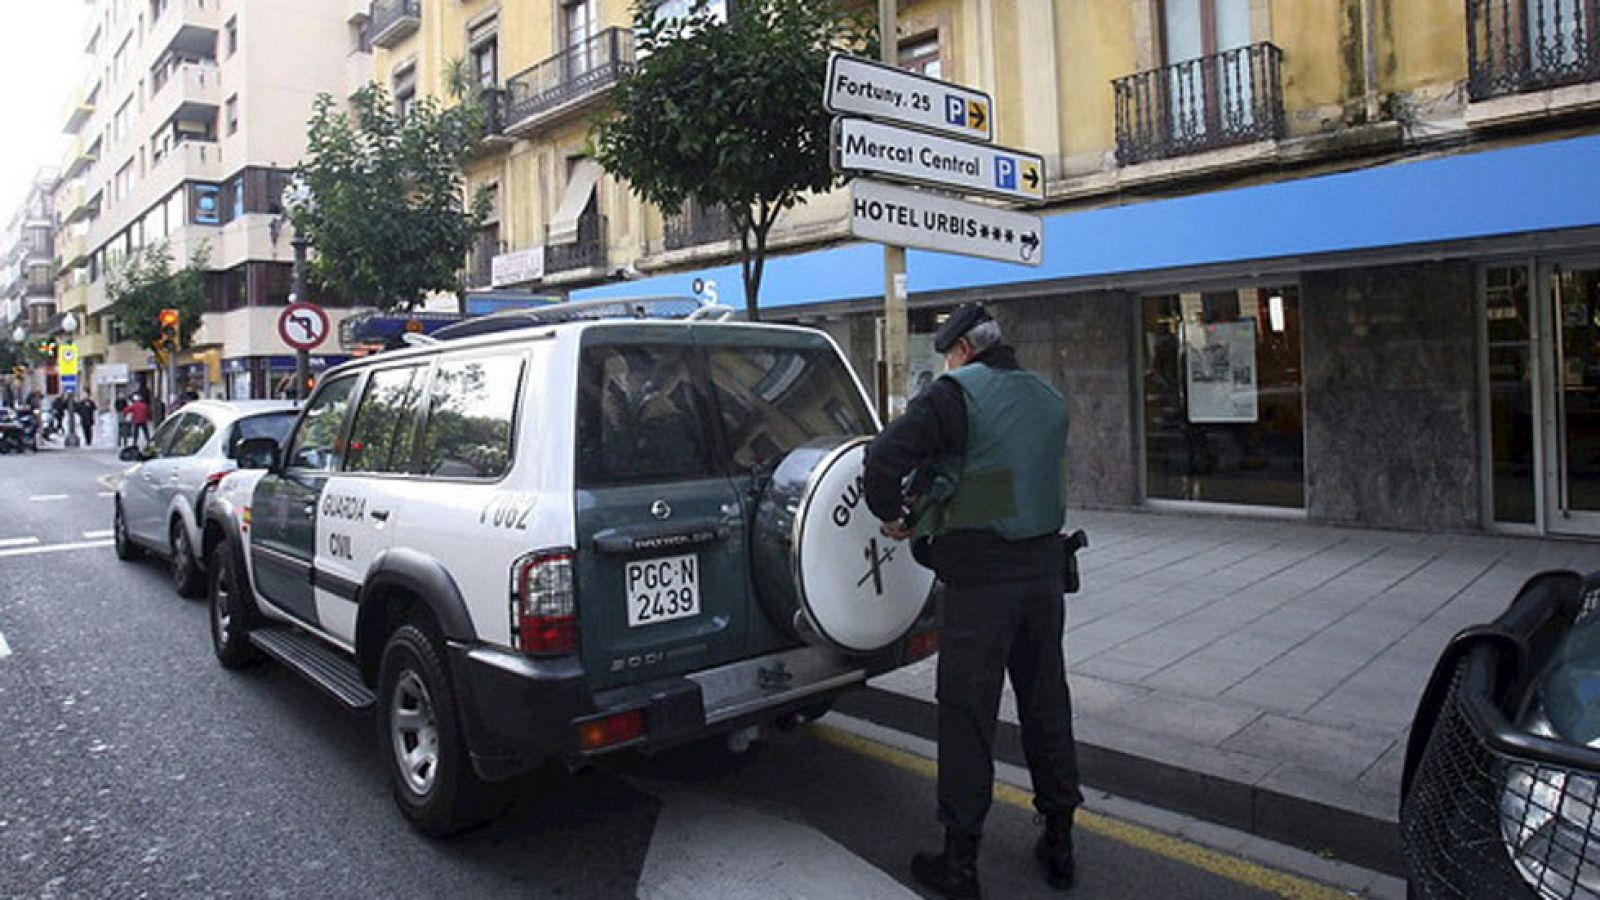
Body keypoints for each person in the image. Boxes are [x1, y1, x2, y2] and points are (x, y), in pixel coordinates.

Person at [864, 303, 1083, 898]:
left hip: (981, 585)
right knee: (1046, 705)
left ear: (961, 350)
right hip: (1045, 576)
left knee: (967, 716)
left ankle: (960, 864)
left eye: (948, 357)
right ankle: (1060, 843)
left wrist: (893, 514)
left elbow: (882, 457)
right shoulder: (1048, 397)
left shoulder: (954, 395)